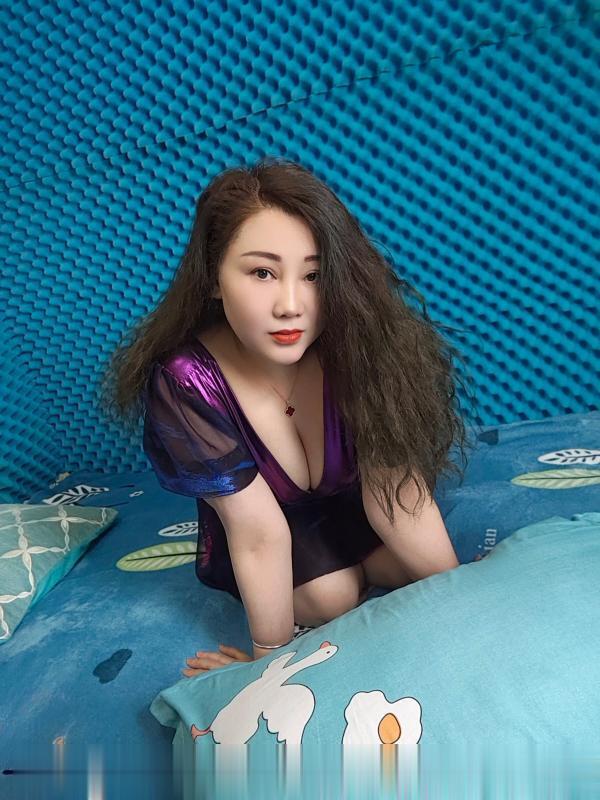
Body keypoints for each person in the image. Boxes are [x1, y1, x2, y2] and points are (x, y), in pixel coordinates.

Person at [100, 158, 478, 676]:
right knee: (330, 598)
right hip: (270, 532)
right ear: (213, 277)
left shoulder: (360, 343)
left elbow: (398, 490)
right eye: (262, 272)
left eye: (314, 275)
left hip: (358, 508)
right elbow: (258, 532)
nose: (291, 305)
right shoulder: (186, 379)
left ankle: (379, 568)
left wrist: (465, 595)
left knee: (421, 569)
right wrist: (268, 662)